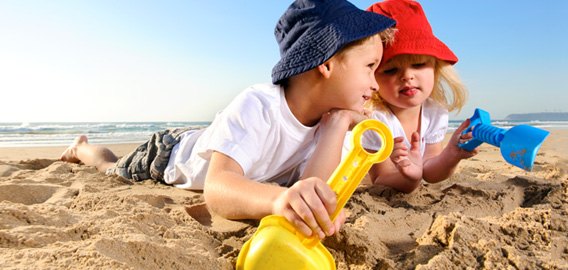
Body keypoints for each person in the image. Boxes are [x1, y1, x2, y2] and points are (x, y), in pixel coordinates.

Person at [59, 0, 396, 240]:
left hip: (216, 140)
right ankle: (82, 148)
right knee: (111, 168)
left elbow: (311, 188)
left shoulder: (327, 121)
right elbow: (218, 189)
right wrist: (278, 200)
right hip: (169, 154)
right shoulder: (260, 104)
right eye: (369, 67)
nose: (375, 84)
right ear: (326, 64)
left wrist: (336, 125)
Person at [362, 0, 479, 193]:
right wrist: (409, 179)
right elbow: (380, 178)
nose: (407, 76)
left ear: (435, 67)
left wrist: (452, 154)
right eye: (390, 69)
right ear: (372, 76)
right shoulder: (374, 119)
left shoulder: (434, 112)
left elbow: (430, 172)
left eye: (418, 65)